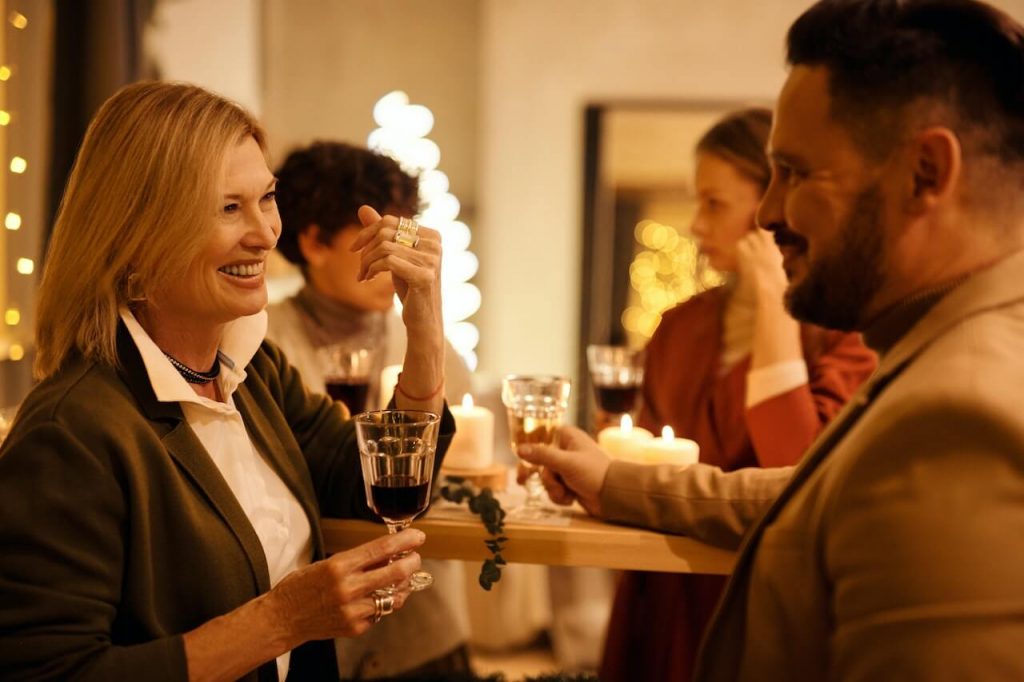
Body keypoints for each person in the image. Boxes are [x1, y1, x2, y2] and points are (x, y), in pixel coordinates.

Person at [520, 0, 1024, 679]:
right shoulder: (943, 350)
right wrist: (612, 480)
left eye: (797, 172)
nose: (767, 212)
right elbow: (815, 488)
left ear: (926, 173)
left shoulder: (961, 414)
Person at [0, 81, 455, 681]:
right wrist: (282, 621)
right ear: (135, 237)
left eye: (266, 198)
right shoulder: (73, 432)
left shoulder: (249, 368)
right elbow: (48, 673)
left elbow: (363, 479)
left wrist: (422, 327)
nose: (266, 234)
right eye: (227, 207)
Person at [599, 108, 876, 682]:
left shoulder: (845, 330)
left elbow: (794, 468)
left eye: (715, 204)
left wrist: (775, 300)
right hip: (663, 594)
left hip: (762, 607)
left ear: (773, 207)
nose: (697, 224)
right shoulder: (678, 326)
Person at [266, 140, 473, 678]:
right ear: (312, 242)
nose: (397, 259)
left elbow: (449, 469)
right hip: (317, 639)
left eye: (404, 238)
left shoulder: (428, 337)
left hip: (422, 638)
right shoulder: (264, 342)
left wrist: (426, 328)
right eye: (380, 241)